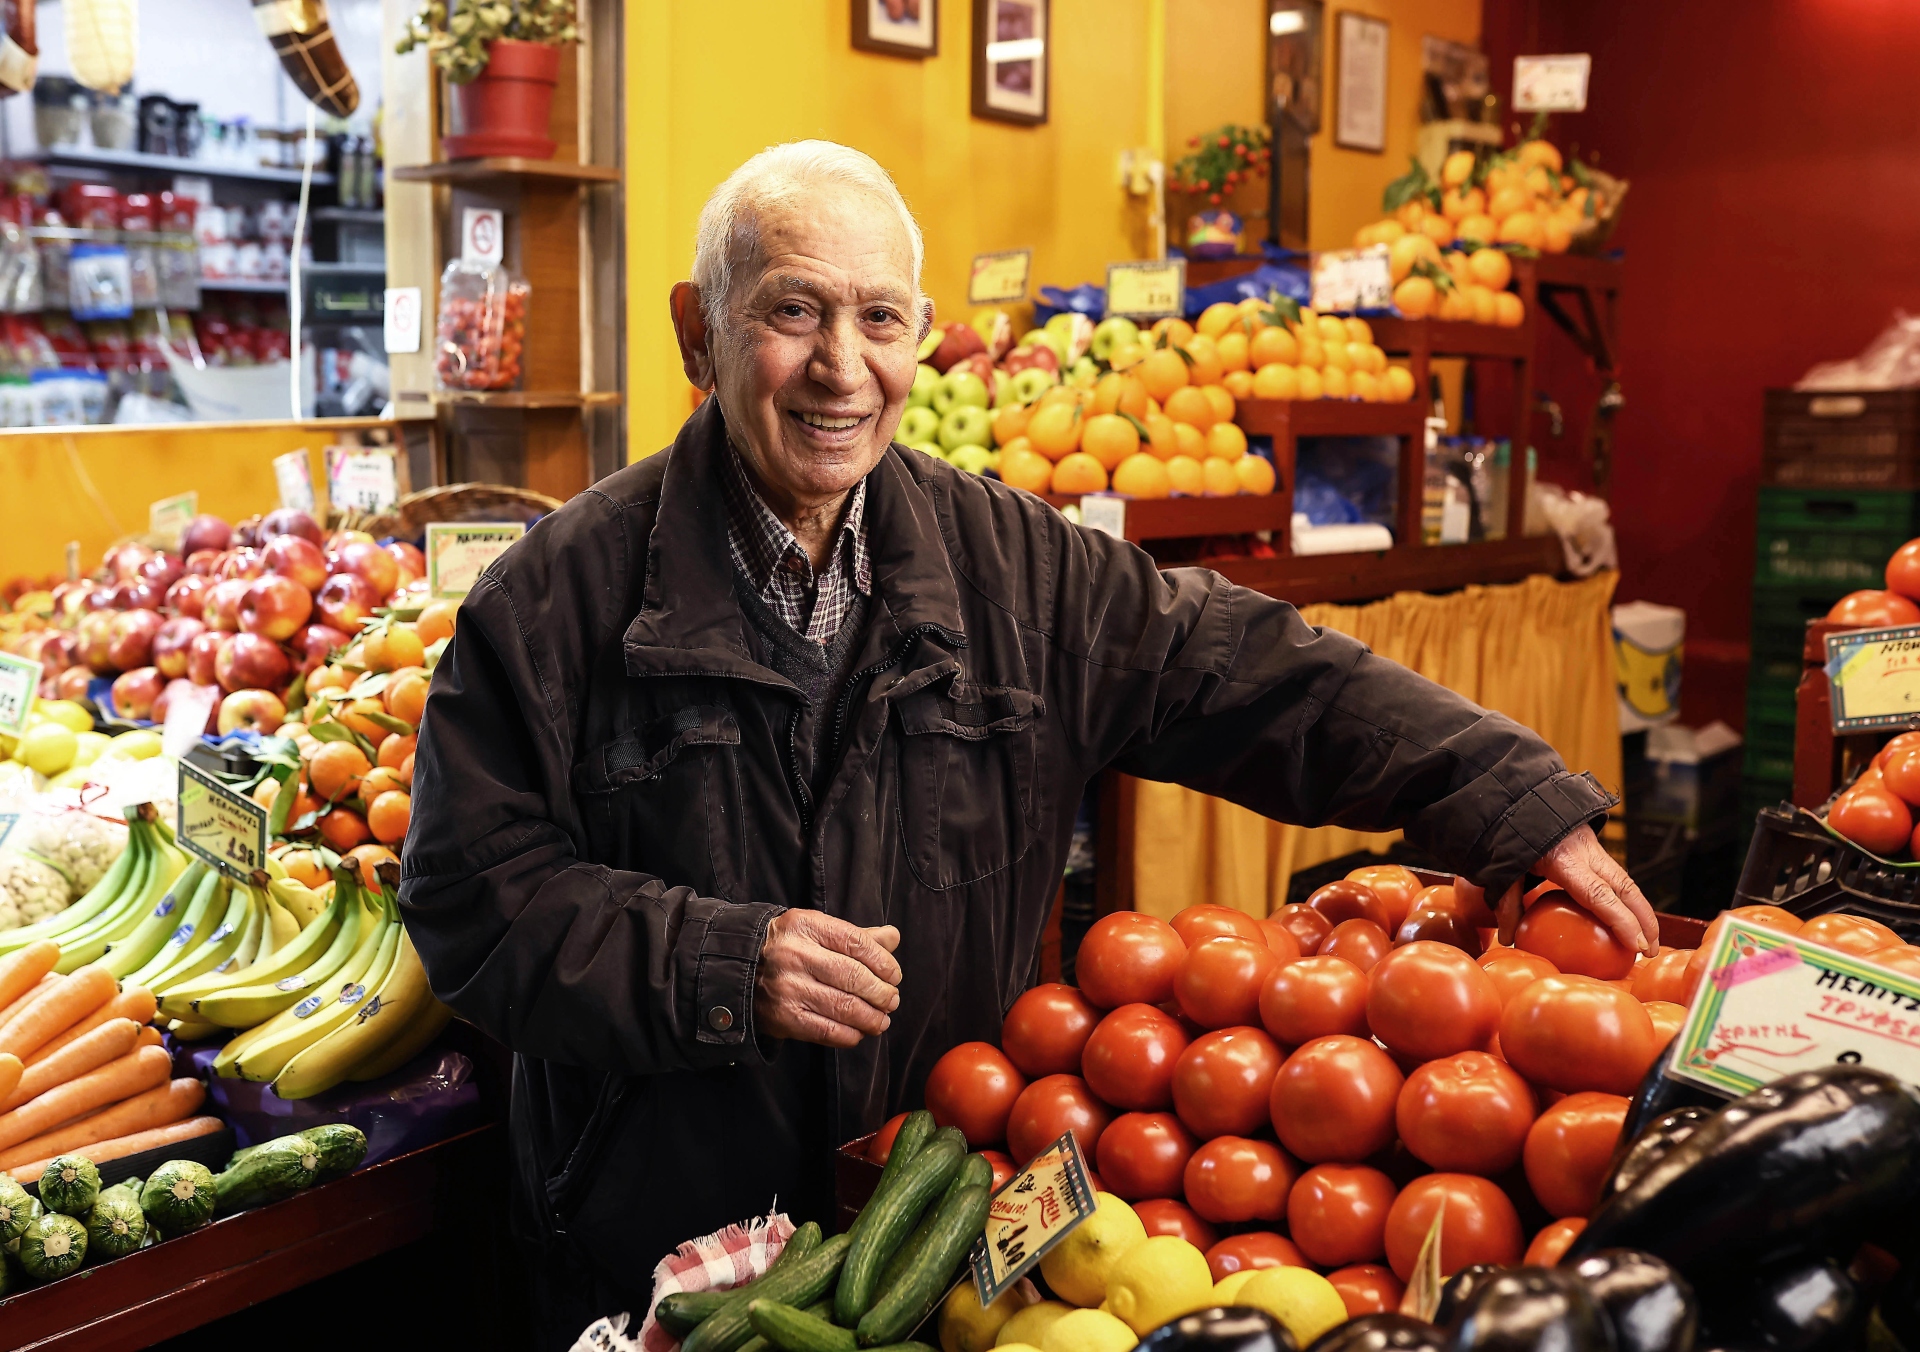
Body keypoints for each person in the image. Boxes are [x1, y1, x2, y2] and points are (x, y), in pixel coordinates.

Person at [398, 140, 1655, 1346]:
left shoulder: (1010, 565)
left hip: (939, 1226)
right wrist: (720, 957)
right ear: (698, 328)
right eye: (794, 312)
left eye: (882, 320)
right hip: (656, 1247)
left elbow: (1243, 669)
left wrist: (1499, 787)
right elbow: (471, 899)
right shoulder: (552, 601)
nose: (843, 367)